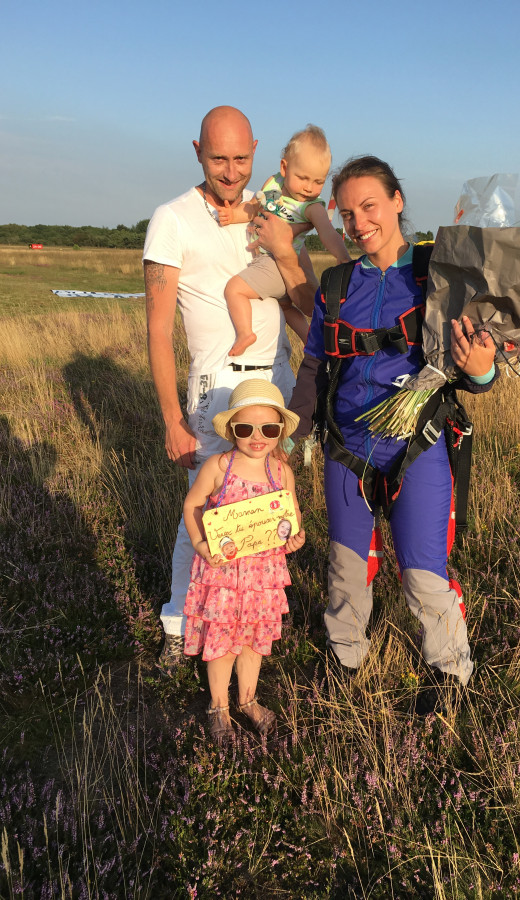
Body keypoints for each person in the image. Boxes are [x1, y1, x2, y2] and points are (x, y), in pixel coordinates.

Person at [288, 156, 499, 714]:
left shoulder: (440, 274)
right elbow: (314, 365)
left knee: (424, 568)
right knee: (345, 564)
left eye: (370, 207)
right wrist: (291, 437)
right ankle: (345, 654)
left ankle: (450, 672)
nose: (358, 224)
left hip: (419, 445)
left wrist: (481, 368)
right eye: (347, 213)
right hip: (348, 443)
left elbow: (480, 370)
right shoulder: (335, 285)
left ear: (398, 201)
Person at [143, 106, 316, 675]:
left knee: (266, 506)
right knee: (201, 511)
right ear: (197, 150)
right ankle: (180, 622)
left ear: (257, 152)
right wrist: (172, 418)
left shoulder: (271, 216)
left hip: (277, 386)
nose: (231, 169)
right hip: (218, 394)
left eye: (242, 158)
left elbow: (303, 307)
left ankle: (247, 622)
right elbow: (160, 330)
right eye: (218, 157)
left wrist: (288, 251)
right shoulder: (172, 219)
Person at [181, 380, 305, 742]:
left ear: (280, 431)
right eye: (245, 428)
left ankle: (247, 699)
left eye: (268, 429)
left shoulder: (282, 472)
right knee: (222, 641)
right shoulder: (219, 467)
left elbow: (291, 514)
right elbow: (192, 505)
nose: (257, 437)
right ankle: (219, 706)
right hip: (223, 574)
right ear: (232, 430)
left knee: (253, 640)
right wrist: (200, 542)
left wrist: (296, 536)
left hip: (262, 575)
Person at [217, 124, 351, 355]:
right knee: (285, 306)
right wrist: (233, 216)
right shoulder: (273, 184)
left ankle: (244, 332)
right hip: (272, 260)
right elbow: (253, 208)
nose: (309, 188)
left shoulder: (311, 207)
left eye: (318, 182)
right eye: (303, 178)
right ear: (284, 168)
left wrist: (343, 257)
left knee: (234, 289)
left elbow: (327, 232)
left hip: (275, 262)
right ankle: (312, 340)